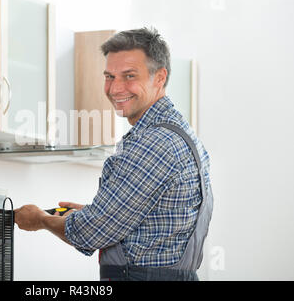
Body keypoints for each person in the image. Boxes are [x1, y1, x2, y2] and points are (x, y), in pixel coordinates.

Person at [14, 27, 213, 281]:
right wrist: (98, 212)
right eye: (109, 76)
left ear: (159, 78)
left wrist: (41, 219)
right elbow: (156, 223)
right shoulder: (180, 133)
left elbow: (91, 232)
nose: (115, 88)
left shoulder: (153, 143)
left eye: (129, 76)